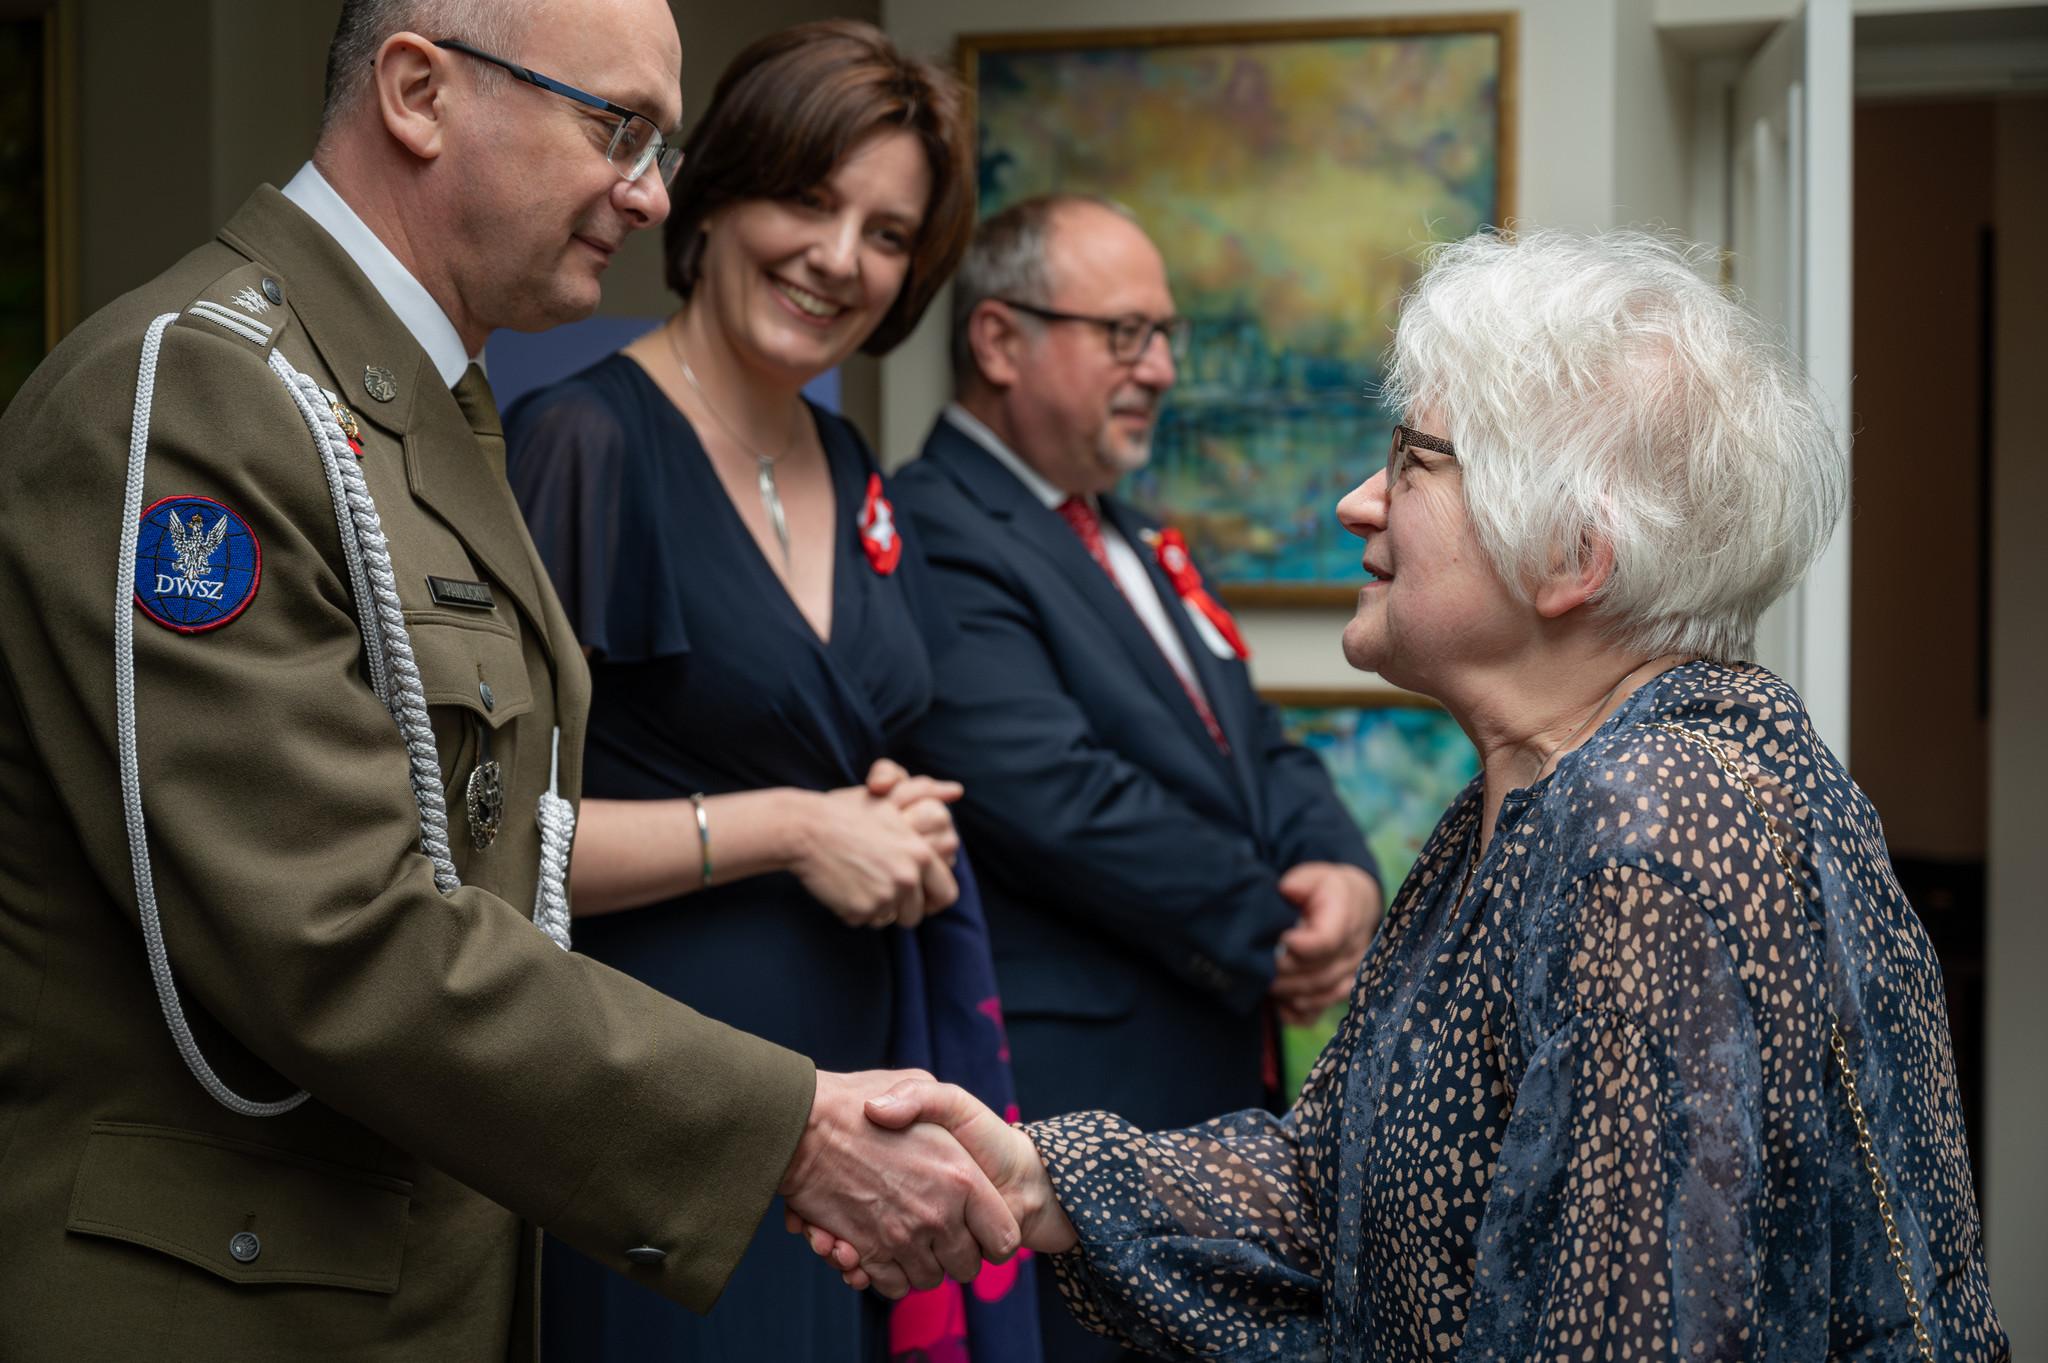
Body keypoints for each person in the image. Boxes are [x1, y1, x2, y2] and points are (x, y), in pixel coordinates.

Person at [0, 4, 1019, 1359]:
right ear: (418, 92)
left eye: (659, 146)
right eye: (615, 129)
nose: (651, 196)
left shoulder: (428, 406)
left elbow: (498, 851)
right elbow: (338, 937)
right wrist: (789, 1130)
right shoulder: (200, 397)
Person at [815, 229, 2011, 1361]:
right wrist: (1033, 1178)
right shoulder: (1531, 797)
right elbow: (1335, 1195)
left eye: (1412, 462)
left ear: (1570, 556)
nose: (1358, 502)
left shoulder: (1647, 828)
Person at [501, 20, 1034, 1363]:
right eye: (807, 199)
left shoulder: (851, 462)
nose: (839, 258)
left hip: (854, 1100)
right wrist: (795, 827)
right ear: (715, 193)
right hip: (659, 1108)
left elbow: (845, 729)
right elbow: (489, 844)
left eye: (887, 233)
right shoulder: (583, 445)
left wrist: (890, 805)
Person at [888, 194, 1384, 1362]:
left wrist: (1342, 871)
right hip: (1068, 1105)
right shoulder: (929, 526)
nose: (1158, 368)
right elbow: (1055, 794)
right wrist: (1274, 927)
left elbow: (1255, 743)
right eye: (1123, 334)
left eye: (1164, 335)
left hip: (1200, 1104)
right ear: (998, 339)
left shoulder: (1131, 535)